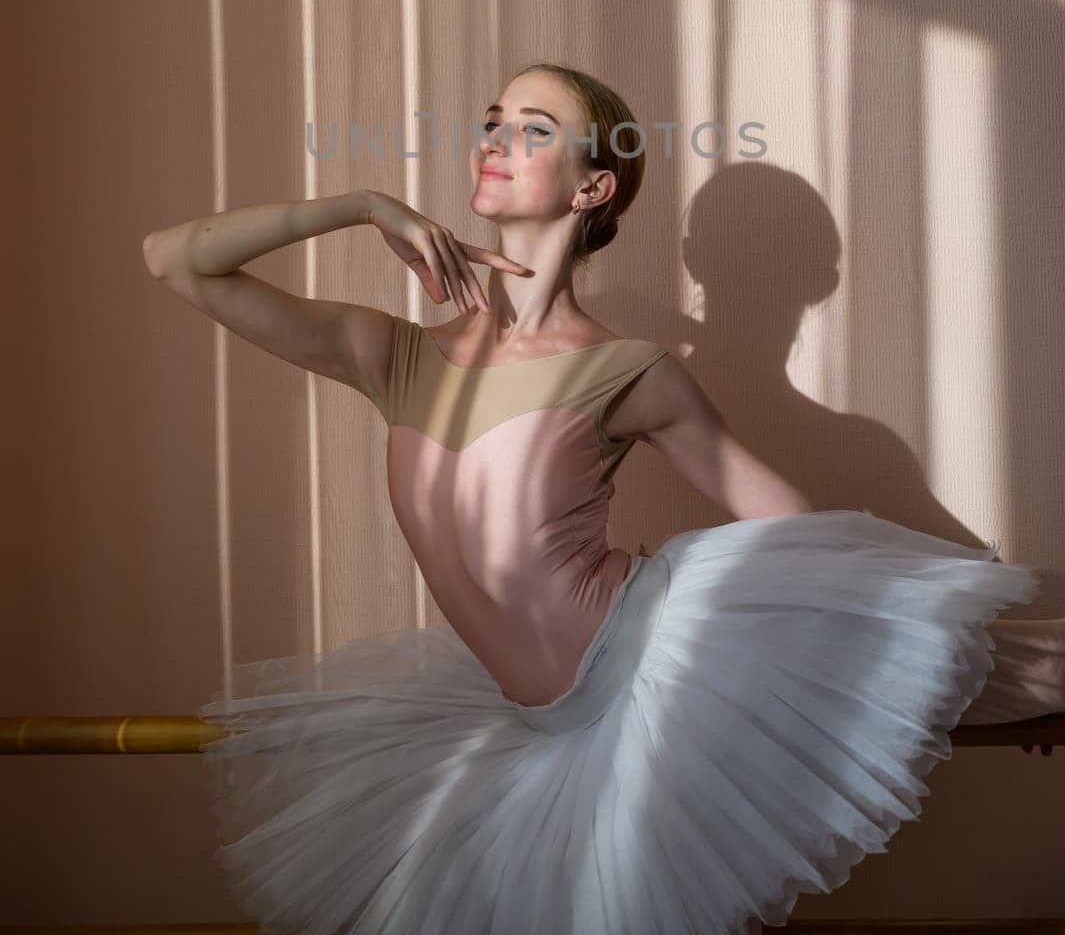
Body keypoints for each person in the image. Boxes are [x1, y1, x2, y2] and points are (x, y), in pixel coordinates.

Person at [144, 62, 1054, 935]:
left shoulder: (630, 371)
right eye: (491, 122)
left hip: (662, 662)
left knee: (1020, 670)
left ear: (592, 190)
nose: (494, 141)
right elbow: (176, 259)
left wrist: (930, 649)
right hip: (543, 726)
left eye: (533, 130)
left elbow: (796, 533)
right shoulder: (396, 355)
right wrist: (360, 206)